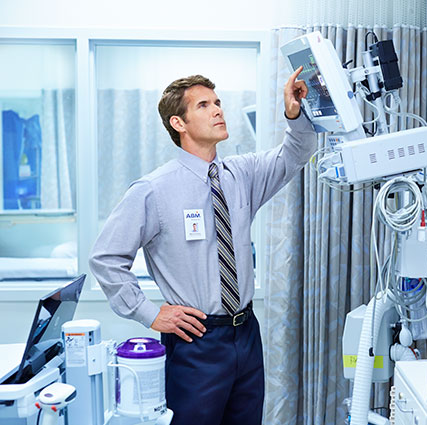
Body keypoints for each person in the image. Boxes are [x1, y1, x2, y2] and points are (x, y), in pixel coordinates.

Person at [89, 67, 316, 425]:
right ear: (178, 123)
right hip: (197, 341)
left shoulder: (242, 174)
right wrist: (150, 314)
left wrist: (293, 112)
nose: (218, 111)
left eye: (218, 103)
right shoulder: (153, 190)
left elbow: (296, 153)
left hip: (246, 334)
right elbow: (105, 258)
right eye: (204, 105)